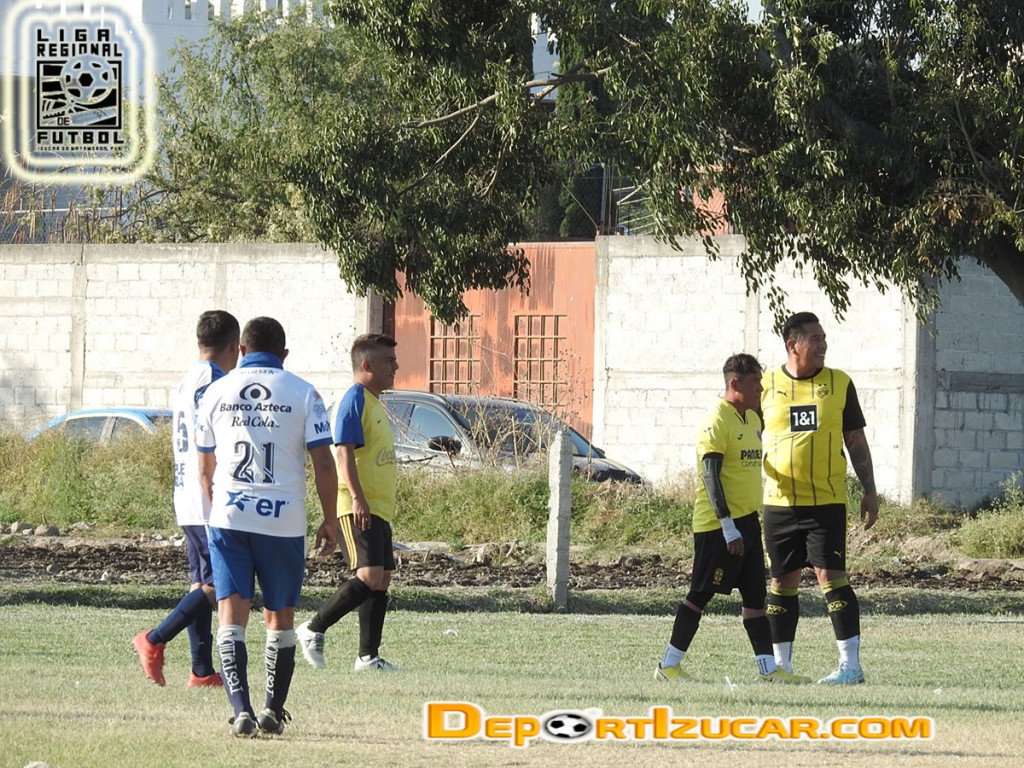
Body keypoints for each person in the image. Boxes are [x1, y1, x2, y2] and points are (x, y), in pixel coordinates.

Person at [196, 316, 340, 737]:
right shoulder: (304, 392)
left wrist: (218, 513)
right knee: (280, 616)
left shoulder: (215, 391)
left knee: (230, 614)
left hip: (230, 515)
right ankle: (273, 710)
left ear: (241, 350)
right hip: (283, 518)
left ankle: (240, 710)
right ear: (284, 354)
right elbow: (324, 463)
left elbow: (205, 468)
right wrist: (330, 519)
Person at [656, 354, 810, 685]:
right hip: (718, 526)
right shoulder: (716, 421)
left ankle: (768, 671)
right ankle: (668, 665)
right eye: (755, 382)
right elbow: (710, 476)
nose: (760, 389)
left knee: (755, 598)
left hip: (748, 521)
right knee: (700, 595)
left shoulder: (751, 417)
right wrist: (727, 527)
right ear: (735, 383)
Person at [761, 311, 878, 685]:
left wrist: (870, 489)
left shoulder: (840, 383)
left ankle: (851, 667)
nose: (823, 344)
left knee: (832, 577)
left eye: (824, 338)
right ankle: (782, 667)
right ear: (792, 345)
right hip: (779, 502)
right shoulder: (765, 385)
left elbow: (855, 440)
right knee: (782, 582)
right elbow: (743, 433)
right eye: (815, 338)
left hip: (826, 501)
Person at [133, 310, 240, 688]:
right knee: (221, 583)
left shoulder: (188, 379)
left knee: (201, 583)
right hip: (206, 493)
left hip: (186, 491)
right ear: (235, 346)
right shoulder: (214, 381)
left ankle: (201, 670)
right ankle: (154, 638)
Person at [296, 333, 400, 672]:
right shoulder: (354, 399)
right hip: (357, 506)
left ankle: (368, 658)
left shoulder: (373, 401)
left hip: (378, 508)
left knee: (381, 579)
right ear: (366, 364)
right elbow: (342, 451)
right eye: (389, 361)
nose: (396, 367)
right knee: (368, 575)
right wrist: (357, 498)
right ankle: (313, 628)